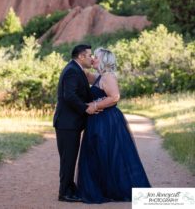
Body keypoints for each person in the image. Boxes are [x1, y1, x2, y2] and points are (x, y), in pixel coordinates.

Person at [77, 47, 151, 203]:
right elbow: (85, 74)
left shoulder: (108, 77)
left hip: (107, 120)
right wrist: (79, 61)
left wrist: (95, 106)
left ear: (103, 60)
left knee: (109, 152)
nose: (92, 58)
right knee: (99, 152)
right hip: (99, 120)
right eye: (91, 56)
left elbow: (115, 97)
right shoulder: (100, 76)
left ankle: (114, 189)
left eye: (95, 56)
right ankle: (104, 187)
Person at [53, 44, 101, 202]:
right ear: (81, 56)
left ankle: (69, 187)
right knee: (68, 158)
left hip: (70, 123)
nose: (92, 58)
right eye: (89, 55)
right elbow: (70, 96)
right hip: (67, 123)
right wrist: (85, 109)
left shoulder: (76, 69)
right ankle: (64, 193)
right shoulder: (72, 71)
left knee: (70, 157)